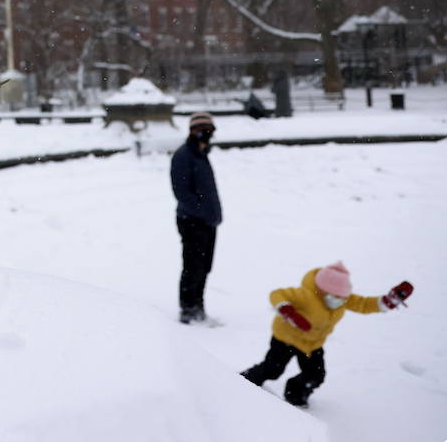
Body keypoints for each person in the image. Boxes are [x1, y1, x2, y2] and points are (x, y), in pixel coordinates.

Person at [241, 262, 414, 408]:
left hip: (312, 344)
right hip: (286, 338)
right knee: (273, 369)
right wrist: (288, 311)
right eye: (334, 296)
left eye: (342, 296)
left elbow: (364, 304)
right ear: (322, 290)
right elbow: (277, 294)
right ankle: (243, 381)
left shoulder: (342, 299)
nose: (339, 300)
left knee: (315, 375)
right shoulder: (305, 295)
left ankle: (295, 394)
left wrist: (387, 301)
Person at [170, 111, 221, 324]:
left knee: (205, 267)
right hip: (192, 221)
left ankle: (199, 308)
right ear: (193, 132)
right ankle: (187, 311)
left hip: (208, 221)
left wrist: (214, 214)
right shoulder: (183, 156)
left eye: (210, 131)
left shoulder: (202, 155)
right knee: (193, 267)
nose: (206, 135)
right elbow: (182, 192)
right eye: (202, 131)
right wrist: (201, 212)